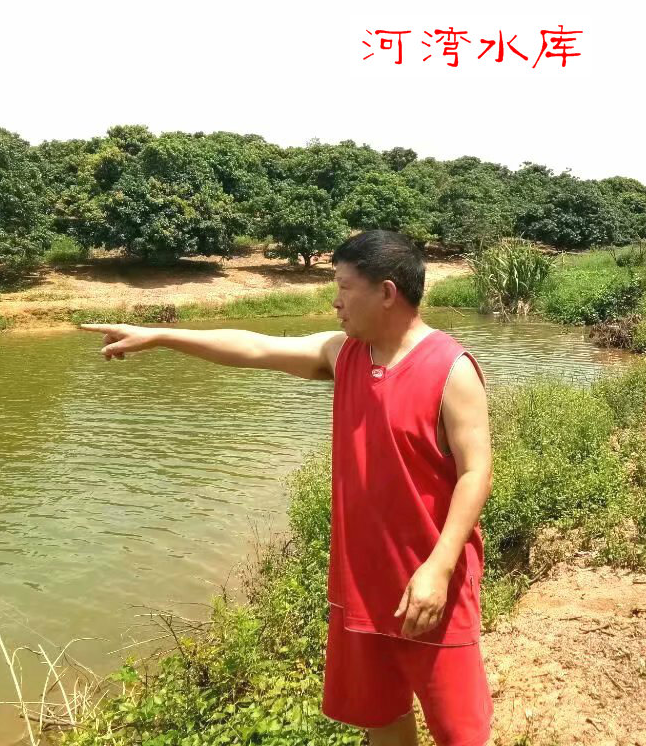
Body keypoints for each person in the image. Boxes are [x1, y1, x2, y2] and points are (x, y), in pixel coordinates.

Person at [80, 229, 494, 746]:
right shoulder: (343, 354)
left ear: (387, 292)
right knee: (383, 718)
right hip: (363, 584)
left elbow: (476, 472)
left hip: (433, 583)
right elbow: (254, 346)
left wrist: (440, 566)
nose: (335, 301)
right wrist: (161, 336)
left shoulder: (451, 370)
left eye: (344, 287)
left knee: (460, 734)